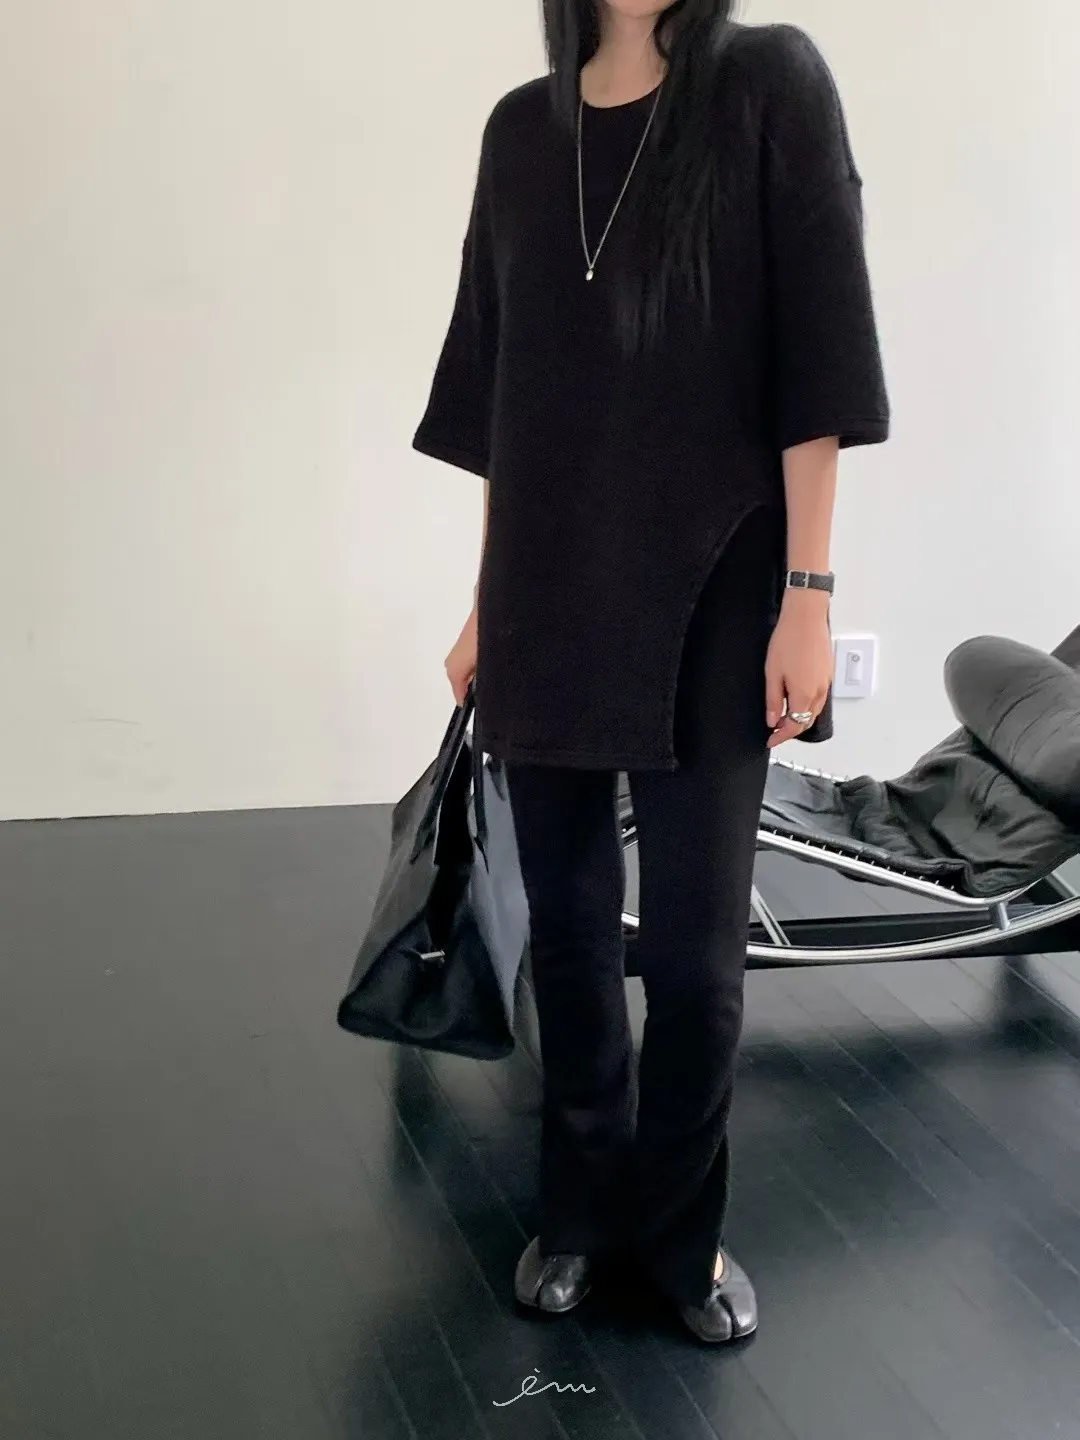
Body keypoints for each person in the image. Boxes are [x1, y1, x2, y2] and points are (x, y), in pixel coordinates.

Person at [412, 0, 888, 1344]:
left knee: (695, 952)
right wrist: (486, 599)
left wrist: (808, 595)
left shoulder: (767, 83)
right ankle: (577, 1214)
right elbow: (506, 396)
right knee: (566, 933)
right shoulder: (524, 131)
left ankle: (681, 1239)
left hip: (721, 581)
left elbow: (818, 361)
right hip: (547, 582)